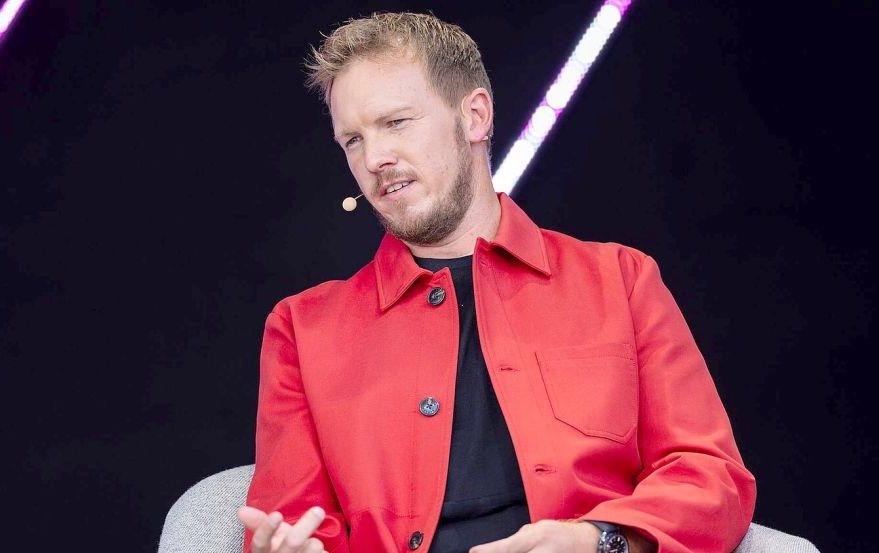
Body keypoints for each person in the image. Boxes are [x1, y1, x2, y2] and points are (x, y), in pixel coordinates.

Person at [237, 11, 756, 553]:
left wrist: (599, 541)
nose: (375, 159)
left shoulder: (620, 281)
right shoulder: (302, 328)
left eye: (396, 123)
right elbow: (289, 520)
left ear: (475, 117)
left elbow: (709, 478)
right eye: (352, 140)